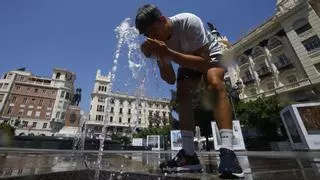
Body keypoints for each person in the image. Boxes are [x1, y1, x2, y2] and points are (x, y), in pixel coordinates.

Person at [135, 4, 244, 178]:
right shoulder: (157, 42)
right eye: (147, 34)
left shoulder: (188, 21)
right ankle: (189, 155)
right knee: (182, 93)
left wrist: (168, 51)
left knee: (214, 81)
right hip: (187, 60)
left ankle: (228, 152)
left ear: (163, 20)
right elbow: (170, 78)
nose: (152, 36)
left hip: (210, 54)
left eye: (153, 30)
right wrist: (161, 55)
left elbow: (203, 63)